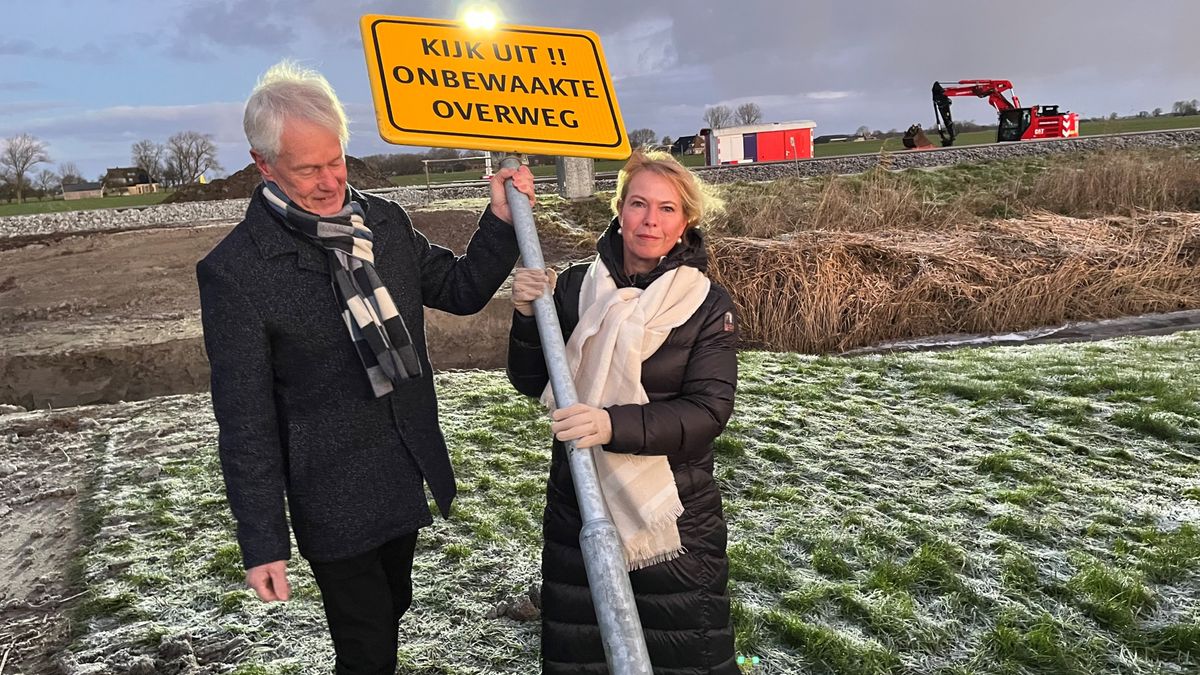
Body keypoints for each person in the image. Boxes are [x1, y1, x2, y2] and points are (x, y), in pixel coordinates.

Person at [196, 60, 534, 674]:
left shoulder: (382, 222)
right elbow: (245, 420)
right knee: (366, 643)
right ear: (263, 164)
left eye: (336, 160)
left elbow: (459, 290)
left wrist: (502, 223)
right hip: (330, 490)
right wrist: (263, 540)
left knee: (392, 606)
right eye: (308, 169)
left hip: (403, 466)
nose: (330, 182)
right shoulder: (237, 272)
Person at [507, 150, 740, 674]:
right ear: (619, 209)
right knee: (582, 652)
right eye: (638, 204)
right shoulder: (572, 287)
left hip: (673, 513)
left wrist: (611, 424)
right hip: (580, 502)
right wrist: (527, 317)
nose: (650, 220)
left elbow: (707, 412)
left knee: (683, 655)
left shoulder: (706, 305)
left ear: (686, 223)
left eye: (667, 208)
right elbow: (533, 380)